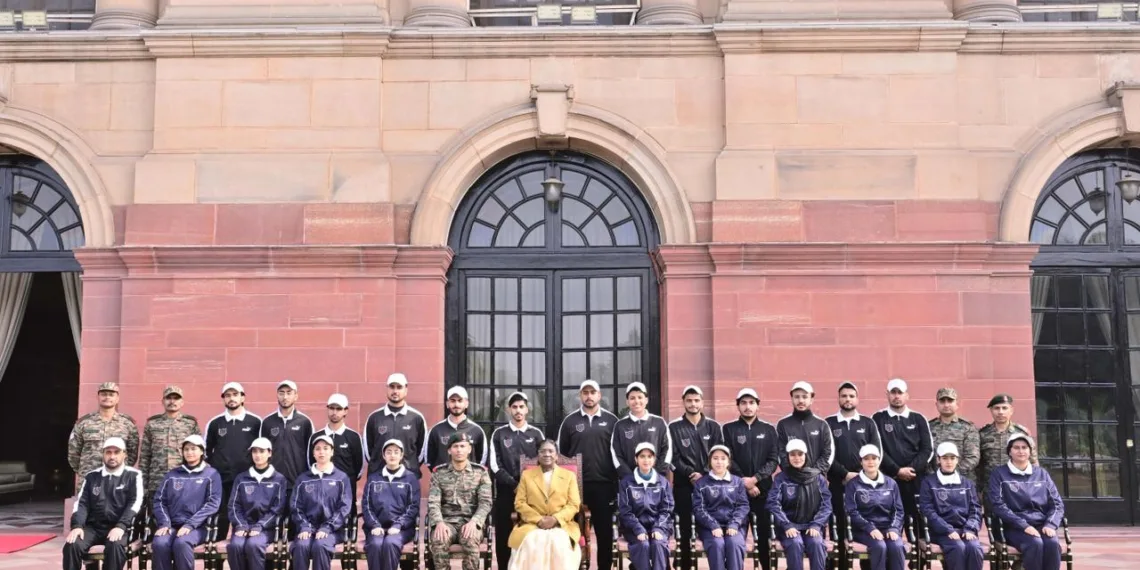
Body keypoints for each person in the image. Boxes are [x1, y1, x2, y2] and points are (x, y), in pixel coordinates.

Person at [557, 379, 619, 570]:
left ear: (599, 395)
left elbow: (618, 453)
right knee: (574, 534)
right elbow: (562, 455)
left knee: (604, 535)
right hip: (575, 488)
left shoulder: (612, 421)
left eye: (593, 392)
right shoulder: (570, 421)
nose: (589, 396)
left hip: (604, 486)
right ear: (580, 396)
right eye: (585, 392)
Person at [63, 437, 144, 570]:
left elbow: (135, 503)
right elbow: (82, 504)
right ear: (103, 454)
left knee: (115, 545)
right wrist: (77, 526)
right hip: (93, 528)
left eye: (116, 452)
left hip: (120, 528)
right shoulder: (91, 476)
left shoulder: (133, 476)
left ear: (124, 454)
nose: (112, 456)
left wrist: (121, 525)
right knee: (72, 545)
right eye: (108, 452)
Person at [825, 381, 880, 570]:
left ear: (857, 399)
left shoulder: (867, 423)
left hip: (864, 485)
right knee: (838, 528)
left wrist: (861, 475)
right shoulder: (829, 423)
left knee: (866, 527)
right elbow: (826, 455)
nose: (847, 399)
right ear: (838, 398)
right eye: (844, 396)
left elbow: (876, 451)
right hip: (838, 483)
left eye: (851, 396)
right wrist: (844, 474)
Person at [988, 434, 1064, 570]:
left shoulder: (1041, 474)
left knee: (1052, 543)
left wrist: (1051, 524)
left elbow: (1057, 504)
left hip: (1041, 524)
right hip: (1013, 527)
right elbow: (998, 505)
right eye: (1016, 447)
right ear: (1009, 451)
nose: (1021, 451)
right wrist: (1024, 525)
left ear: (1030, 451)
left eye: (1024, 447)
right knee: (1035, 543)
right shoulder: (999, 474)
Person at [722, 388, 778, 570]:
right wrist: (744, 482)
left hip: (763, 491)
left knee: (764, 538)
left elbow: (773, 460)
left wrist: (756, 479)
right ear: (738, 405)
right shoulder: (729, 429)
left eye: (751, 403)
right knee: (735, 537)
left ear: (757, 405)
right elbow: (728, 459)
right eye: (744, 403)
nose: (748, 407)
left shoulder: (769, 430)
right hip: (737, 491)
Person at [668, 385, 723, 570]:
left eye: (696, 400)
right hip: (684, 485)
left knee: (711, 527)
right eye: (689, 400)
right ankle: (684, 564)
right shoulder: (674, 427)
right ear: (683, 402)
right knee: (684, 528)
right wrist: (690, 473)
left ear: (702, 402)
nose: (693, 404)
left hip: (710, 485)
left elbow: (719, 455)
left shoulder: (713, 427)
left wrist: (705, 474)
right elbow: (672, 457)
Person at [507, 440, 582, 570]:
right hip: (533, 524)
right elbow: (519, 503)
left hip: (562, 525)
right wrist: (539, 519)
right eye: (543, 451)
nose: (547, 454)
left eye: (550, 451)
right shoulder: (527, 475)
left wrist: (555, 519)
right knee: (532, 541)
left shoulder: (569, 476)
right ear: (538, 455)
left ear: (556, 456)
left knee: (560, 543)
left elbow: (574, 504)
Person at [490, 391, 544, 570]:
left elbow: (544, 463)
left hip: (532, 495)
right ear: (508, 410)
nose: (518, 410)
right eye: (514, 407)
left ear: (527, 409)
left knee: (532, 533)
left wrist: (527, 486)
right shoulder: (499, 434)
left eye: (521, 406)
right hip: (507, 492)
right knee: (504, 535)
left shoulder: (536, 434)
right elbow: (495, 466)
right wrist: (514, 485)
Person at [151, 435, 223, 570]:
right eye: (186, 449)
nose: (190, 452)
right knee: (160, 543)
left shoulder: (211, 474)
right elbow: (159, 500)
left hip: (198, 527)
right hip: (171, 525)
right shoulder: (172, 474)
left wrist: (190, 525)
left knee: (182, 543)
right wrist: (165, 523)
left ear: (202, 451)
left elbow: (213, 503)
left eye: (194, 449)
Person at [427, 431, 493, 570]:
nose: (459, 450)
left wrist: (475, 523)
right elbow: (433, 502)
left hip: (470, 521)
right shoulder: (439, 473)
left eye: (463, 446)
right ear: (449, 450)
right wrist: (438, 522)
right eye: (455, 446)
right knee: (439, 540)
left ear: (469, 449)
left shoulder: (480, 472)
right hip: (447, 522)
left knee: (470, 540)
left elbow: (485, 503)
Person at [206, 381, 262, 540]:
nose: (232, 398)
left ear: (243, 397)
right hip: (222, 479)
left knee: (248, 516)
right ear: (223, 399)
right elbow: (207, 450)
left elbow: (262, 449)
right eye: (228, 395)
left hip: (248, 479)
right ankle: (217, 558)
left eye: (235, 394)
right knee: (221, 517)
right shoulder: (215, 423)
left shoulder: (255, 422)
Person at [872, 378, 932, 524]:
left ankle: (920, 545)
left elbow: (927, 450)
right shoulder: (877, 418)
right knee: (890, 519)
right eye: (893, 392)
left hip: (915, 477)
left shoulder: (918, 418)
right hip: (889, 477)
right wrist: (897, 470)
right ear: (887, 395)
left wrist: (910, 470)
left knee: (918, 521)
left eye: (900, 392)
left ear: (907, 396)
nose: (897, 396)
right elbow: (877, 449)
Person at [290, 435, 353, 570]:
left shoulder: (342, 478)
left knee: (321, 545)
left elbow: (344, 507)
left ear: (332, 452)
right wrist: (304, 526)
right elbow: (296, 506)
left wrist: (327, 527)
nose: (321, 452)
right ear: (313, 453)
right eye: (318, 449)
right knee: (301, 546)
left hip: (332, 530)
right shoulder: (303, 479)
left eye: (325, 448)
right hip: (307, 529)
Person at [768, 440, 832, 570]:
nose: (797, 458)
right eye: (793, 455)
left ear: (806, 456)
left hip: (812, 526)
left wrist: (816, 524)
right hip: (789, 527)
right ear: (787, 457)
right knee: (795, 543)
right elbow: (773, 503)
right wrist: (787, 525)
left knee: (816, 543)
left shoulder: (817, 478)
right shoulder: (781, 478)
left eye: (800, 454)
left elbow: (826, 504)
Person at [918, 443, 983, 570]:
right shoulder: (929, 482)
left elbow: (975, 509)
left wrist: (970, 528)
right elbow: (927, 510)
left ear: (957, 460)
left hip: (965, 530)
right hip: (941, 532)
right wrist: (947, 529)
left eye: (952, 458)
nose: (949, 462)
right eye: (945, 458)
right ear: (938, 460)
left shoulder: (967, 483)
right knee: (958, 547)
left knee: (974, 548)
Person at [227, 437, 288, 570]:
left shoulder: (279, 479)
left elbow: (278, 509)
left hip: (267, 529)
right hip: (243, 527)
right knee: (235, 546)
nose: (258, 455)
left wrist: (260, 526)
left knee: (254, 545)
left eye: (262, 451)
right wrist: (241, 525)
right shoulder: (241, 478)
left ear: (269, 453)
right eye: (255, 452)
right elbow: (234, 506)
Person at [844, 445, 907, 570]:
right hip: (863, 530)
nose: (871, 461)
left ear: (879, 460)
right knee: (879, 546)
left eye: (874, 458)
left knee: (897, 546)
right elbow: (851, 511)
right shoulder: (853, 484)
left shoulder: (891, 483)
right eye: (866, 459)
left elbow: (898, 510)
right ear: (861, 462)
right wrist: (870, 528)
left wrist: (894, 528)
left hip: (888, 528)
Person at [362, 439, 420, 570]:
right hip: (376, 527)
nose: (392, 455)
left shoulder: (410, 478)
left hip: (402, 529)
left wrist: (399, 525)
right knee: (376, 545)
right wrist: (375, 525)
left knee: (390, 543)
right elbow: (366, 505)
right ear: (383, 456)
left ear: (401, 455)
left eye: (396, 452)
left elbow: (413, 506)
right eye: (388, 452)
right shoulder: (373, 478)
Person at [308, 393, 364, 523]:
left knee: (347, 531)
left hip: (346, 492)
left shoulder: (353, 437)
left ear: (345, 411)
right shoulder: (317, 436)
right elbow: (310, 463)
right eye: (332, 408)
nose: (334, 412)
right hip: (321, 492)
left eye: (339, 409)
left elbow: (359, 468)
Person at [617, 443, 674, 570]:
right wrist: (638, 529)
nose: (646, 460)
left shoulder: (663, 482)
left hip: (659, 526)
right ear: (636, 459)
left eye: (649, 456)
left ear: (654, 460)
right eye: (642, 456)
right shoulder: (626, 482)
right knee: (643, 545)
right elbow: (625, 510)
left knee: (658, 544)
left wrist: (658, 528)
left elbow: (667, 509)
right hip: (633, 528)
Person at [139, 385, 200, 504]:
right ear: (163, 401)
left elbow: (199, 454)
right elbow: (145, 456)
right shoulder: (152, 424)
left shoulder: (190, 424)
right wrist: (143, 484)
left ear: (182, 402)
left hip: (184, 479)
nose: (172, 401)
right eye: (169, 398)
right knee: (156, 517)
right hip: (156, 480)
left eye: (176, 398)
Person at [692, 445, 749, 570]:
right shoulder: (701, 483)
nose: (719, 462)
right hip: (709, 528)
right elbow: (698, 508)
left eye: (723, 458)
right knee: (717, 544)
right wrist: (713, 525)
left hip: (735, 527)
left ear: (728, 462)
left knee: (734, 544)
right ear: (710, 461)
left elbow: (743, 506)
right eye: (715, 458)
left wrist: (734, 524)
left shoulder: (737, 482)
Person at [69, 382, 140, 476]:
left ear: (117, 398)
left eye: (111, 394)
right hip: (89, 477)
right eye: (103, 394)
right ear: (98, 397)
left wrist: (119, 469)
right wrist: (84, 470)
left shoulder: (127, 424)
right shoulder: (84, 423)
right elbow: (73, 452)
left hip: (117, 478)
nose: (107, 397)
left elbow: (132, 453)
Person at [364, 373, 428, 477]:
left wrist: (409, 466)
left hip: (408, 477)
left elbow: (421, 453)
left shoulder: (416, 418)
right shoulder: (374, 418)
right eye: (392, 387)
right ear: (387, 389)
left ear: (406, 389)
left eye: (399, 387)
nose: (395, 391)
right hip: (379, 477)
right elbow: (368, 453)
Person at [977, 394, 1037, 502]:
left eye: (1004, 408)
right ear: (991, 410)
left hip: (1018, 488)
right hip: (991, 489)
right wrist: (978, 490)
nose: (1000, 412)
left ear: (1011, 410)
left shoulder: (1022, 433)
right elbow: (978, 465)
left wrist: (1035, 487)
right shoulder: (983, 434)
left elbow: (1033, 462)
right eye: (996, 408)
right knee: (992, 518)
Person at [611, 382, 672, 478]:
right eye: (632, 398)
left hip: (656, 480)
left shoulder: (659, 422)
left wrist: (656, 474)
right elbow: (616, 454)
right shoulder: (620, 426)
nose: (636, 401)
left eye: (640, 397)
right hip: (629, 482)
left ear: (646, 400)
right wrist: (629, 477)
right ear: (627, 402)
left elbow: (667, 450)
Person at [261, 380, 316, 486]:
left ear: (296, 396)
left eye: (289, 393)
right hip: (271, 482)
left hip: (297, 482)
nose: (285, 397)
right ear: (277, 395)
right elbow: (262, 453)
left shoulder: (305, 422)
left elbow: (311, 453)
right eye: (281, 393)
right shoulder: (267, 422)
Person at [776, 381, 835, 473]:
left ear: (811, 399)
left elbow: (828, 452)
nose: (801, 401)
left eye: (805, 397)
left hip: (816, 480)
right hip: (790, 480)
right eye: (797, 397)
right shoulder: (782, 424)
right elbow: (780, 452)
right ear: (792, 399)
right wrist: (792, 473)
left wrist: (815, 472)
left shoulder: (822, 424)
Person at [425, 386, 488, 470]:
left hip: (469, 481)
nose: (456, 405)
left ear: (466, 403)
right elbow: (429, 460)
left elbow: (482, 460)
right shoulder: (436, 430)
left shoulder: (477, 430)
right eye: (453, 401)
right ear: (447, 404)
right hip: (443, 481)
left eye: (460, 401)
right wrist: (441, 475)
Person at [927, 388, 980, 482]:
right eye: (942, 401)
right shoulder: (928, 427)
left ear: (957, 404)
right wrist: (935, 475)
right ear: (936, 404)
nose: (946, 405)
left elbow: (973, 457)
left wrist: (950, 474)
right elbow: (925, 455)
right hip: (935, 481)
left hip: (962, 481)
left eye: (950, 401)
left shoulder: (967, 427)